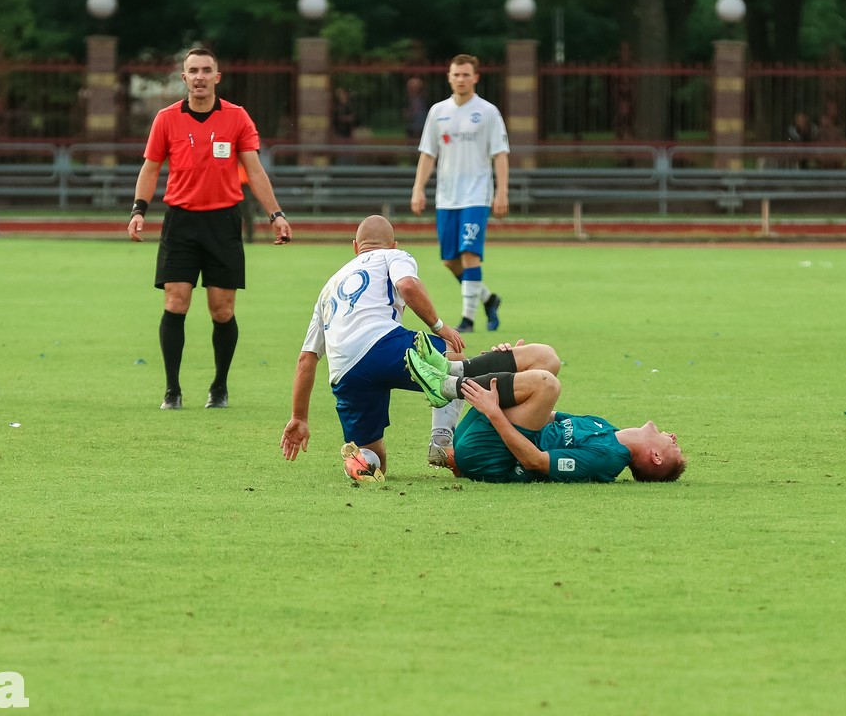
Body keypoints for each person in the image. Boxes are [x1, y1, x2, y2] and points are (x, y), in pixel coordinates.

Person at [127, 47, 292, 410]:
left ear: (217, 77)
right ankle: (172, 390)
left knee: (223, 311)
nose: (199, 77)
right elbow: (151, 168)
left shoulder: (237, 117)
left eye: (206, 70)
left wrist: (275, 214)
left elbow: (255, 170)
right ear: (183, 78)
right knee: (176, 302)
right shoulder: (166, 118)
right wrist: (139, 209)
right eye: (192, 71)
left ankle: (219, 386)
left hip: (223, 221)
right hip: (180, 221)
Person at [280, 215, 466, 483]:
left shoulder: (329, 286)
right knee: (454, 355)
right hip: (383, 345)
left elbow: (306, 359)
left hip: (345, 372)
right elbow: (408, 285)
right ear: (394, 244)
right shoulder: (393, 256)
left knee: (374, 457)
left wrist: (299, 417)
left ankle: (360, 461)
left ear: (355, 247)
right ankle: (441, 441)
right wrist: (439, 327)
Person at [404, 337, 686, 484]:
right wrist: (512, 372)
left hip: (489, 456)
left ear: (656, 457)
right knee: (546, 359)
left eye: (674, 446)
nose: (673, 436)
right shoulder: (607, 429)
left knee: (548, 385)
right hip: (491, 436)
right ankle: (453, 370)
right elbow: (544, 415)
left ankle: (446, 388)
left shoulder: (607, 460)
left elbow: (536, 462)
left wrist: (495, 412)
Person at [411, 54, 509, 334]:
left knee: (469, 254)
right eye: (456, 74)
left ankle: (467, 319)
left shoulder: (488, 112)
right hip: (447, 197)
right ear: (449, 77)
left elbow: (500, 155)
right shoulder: (438, 112)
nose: (461, 79)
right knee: (449, 260)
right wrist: (418, 189)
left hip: (476, 196)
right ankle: (489, 299)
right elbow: (428, 154)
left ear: (476, 77)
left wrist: (501, 192)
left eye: (466, 75)